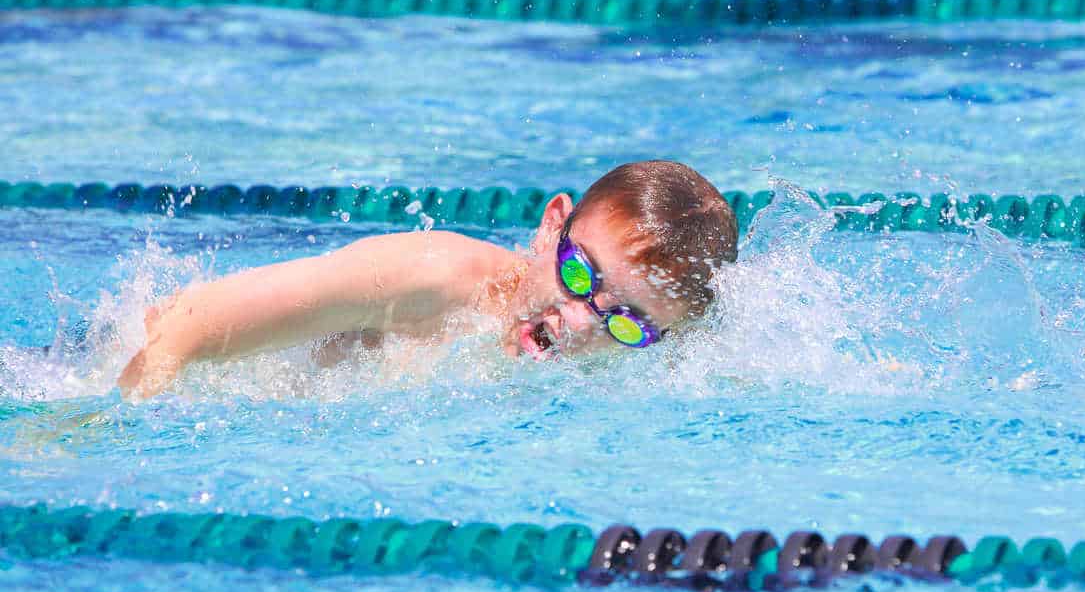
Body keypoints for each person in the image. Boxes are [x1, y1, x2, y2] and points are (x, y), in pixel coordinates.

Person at [116, 160, 738, 399]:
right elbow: (182, 328)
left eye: (625, 321)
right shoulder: (432, 281)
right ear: (551, 228)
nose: (579, 321)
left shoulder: (638, 379)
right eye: (579, 274)